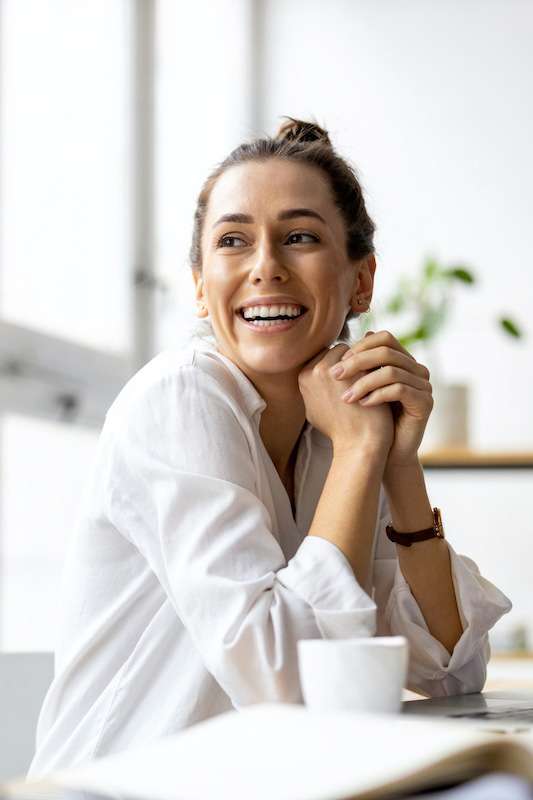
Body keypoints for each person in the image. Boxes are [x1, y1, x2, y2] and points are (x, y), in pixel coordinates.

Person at [28, 117, 512, 776]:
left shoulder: (335, 428)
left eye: (299, 237)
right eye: (232, 241)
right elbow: (286, 687)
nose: (265, 268)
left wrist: (396, 462)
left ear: (361, 281)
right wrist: (360, 456)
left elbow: (450, 671)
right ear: (200, 285)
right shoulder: (182, 398)